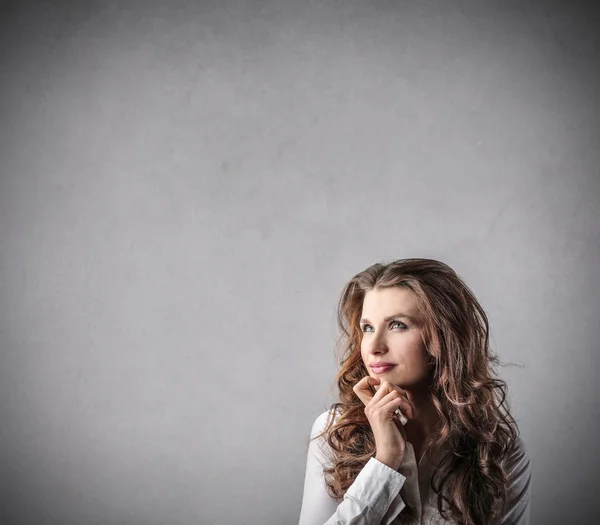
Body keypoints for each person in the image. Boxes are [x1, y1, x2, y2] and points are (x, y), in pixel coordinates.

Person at [298, 258, 531, 525]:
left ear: (445, 335)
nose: (373, 346)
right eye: (368, 327)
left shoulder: (499, 452)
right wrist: (385, 461)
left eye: (398, 325)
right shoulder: (336, 432)